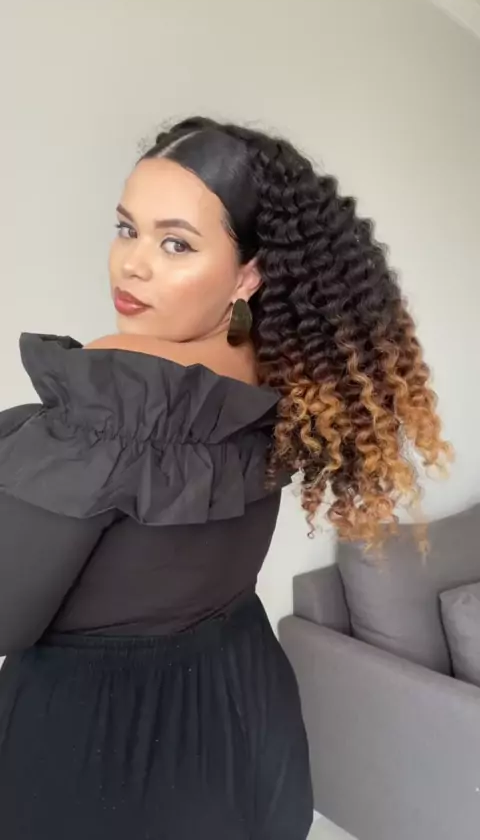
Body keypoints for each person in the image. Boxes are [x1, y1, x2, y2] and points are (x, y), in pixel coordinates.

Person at [0, 116, 450, 839]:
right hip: (242, 705)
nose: (131, 265)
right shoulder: (287, 378)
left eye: (175, 242)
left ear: (248, 274)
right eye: (127, 229)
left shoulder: (126, 389)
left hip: (104, 744)